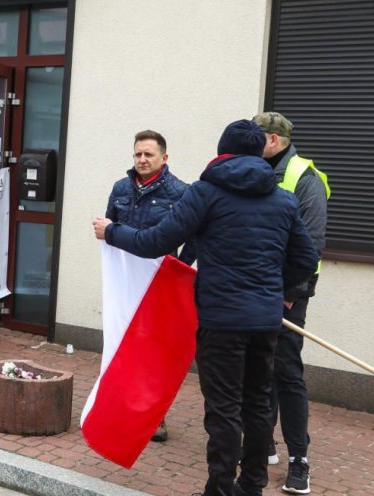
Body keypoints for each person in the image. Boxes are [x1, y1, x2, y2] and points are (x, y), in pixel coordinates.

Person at [93, 120, 319, 496]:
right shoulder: (282, 199)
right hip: (265, 320)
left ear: (222, 151)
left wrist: (111, 231)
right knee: (258, 405)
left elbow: (156, 241)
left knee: (224, 408)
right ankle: (251, 487)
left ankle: (219, 489)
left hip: (221, 319)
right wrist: (276, 290)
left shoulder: (206, 192)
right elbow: (306, 259)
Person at [251, 111, 329, 494]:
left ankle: (299, 459)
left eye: (256, 136)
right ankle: (263, 442)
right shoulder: (254, 171)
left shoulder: (304, 178)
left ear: (273, 140)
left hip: (286, 294)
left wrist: (286, 295)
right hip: (255, 289)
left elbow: (311, 247)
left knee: (286, 371)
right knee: (259, 368)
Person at [104, 129, 190, 443]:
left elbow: (192, 238)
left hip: (158, 285)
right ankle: (121, 407)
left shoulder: (181, 193)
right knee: (121, 341)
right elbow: (110, 227)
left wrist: (180, 271)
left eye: (148, 154)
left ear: (163, 158)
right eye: (137, 154)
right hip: (125, 282)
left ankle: (155, 416)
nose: (142, 160)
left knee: (153, 349)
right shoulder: (120, 188)